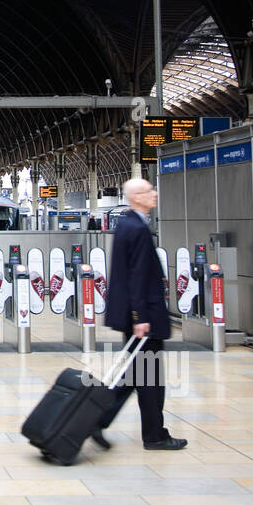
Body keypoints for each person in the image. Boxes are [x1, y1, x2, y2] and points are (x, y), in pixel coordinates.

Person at [94, 178, 187, 451]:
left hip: (139, 316)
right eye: (148, 190)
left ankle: (98, 419)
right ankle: (154, 435)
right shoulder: (135, 228)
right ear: (136, 197)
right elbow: (136, 277)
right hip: (143, 318)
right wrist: (140, 317)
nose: (154, 193)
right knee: (149, 379)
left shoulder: (128, 225)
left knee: (137, 377)